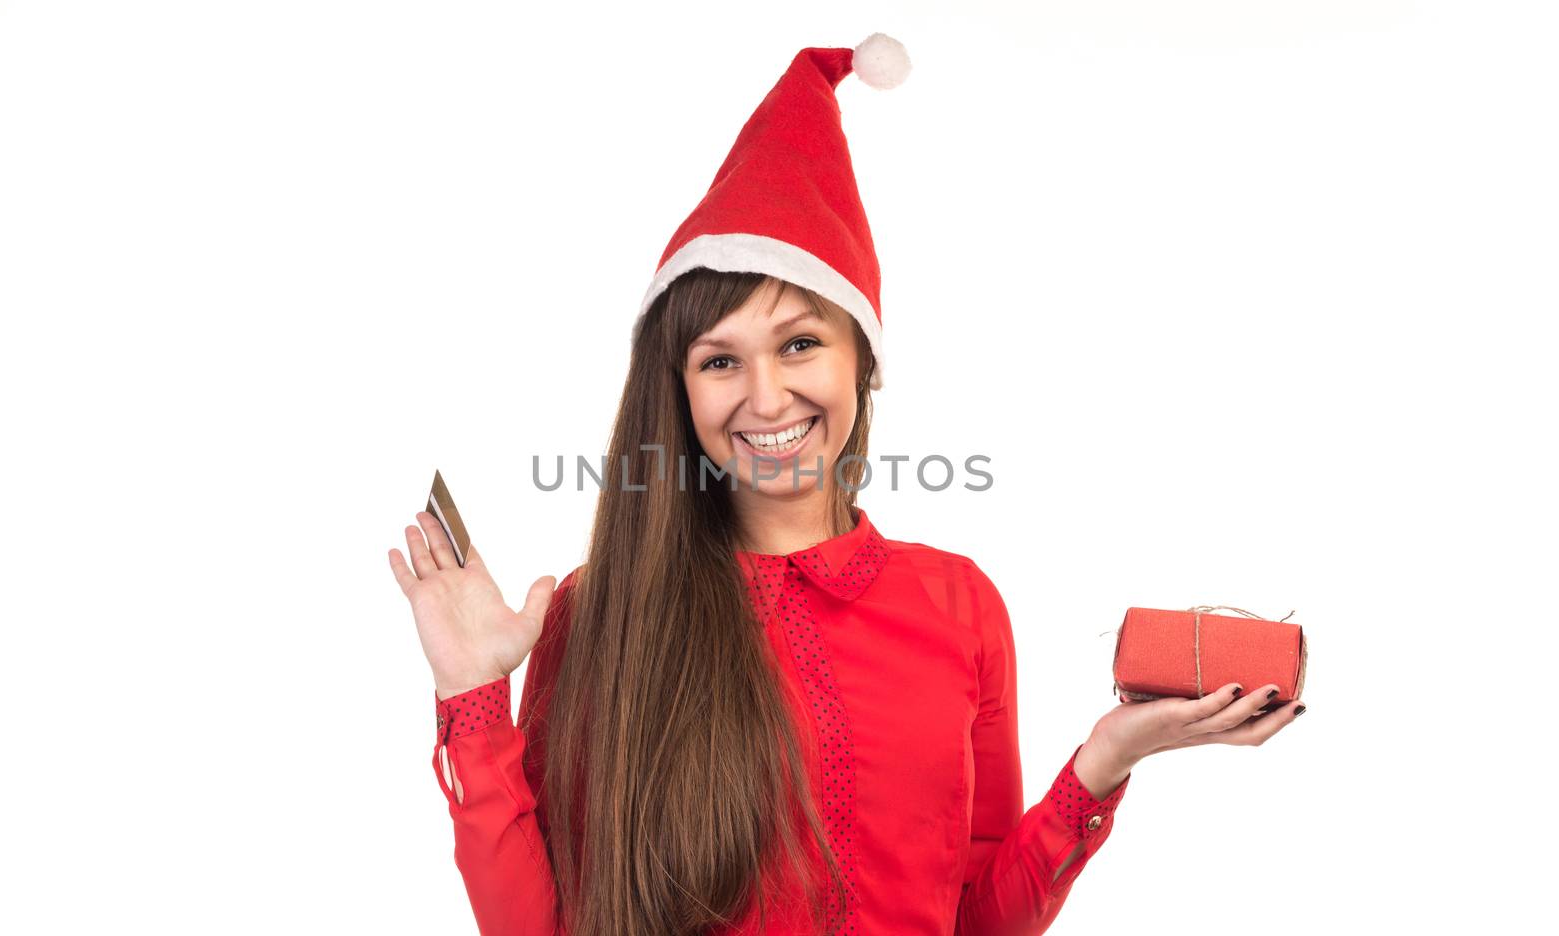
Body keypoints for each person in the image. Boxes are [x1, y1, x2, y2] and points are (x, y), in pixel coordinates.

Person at [387, 34, 1304, 936]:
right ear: (678, 391)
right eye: (719, 361)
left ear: (861, 361)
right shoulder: (602, 614)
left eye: (799, 343)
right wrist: (471, 699)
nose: (766, 396)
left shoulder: (959, 605)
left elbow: (978, 923)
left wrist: (1104, 762)